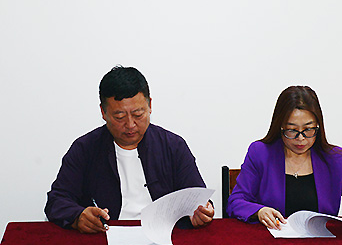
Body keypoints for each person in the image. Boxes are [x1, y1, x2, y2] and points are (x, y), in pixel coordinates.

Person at [44, 65, 214, 233]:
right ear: (103, 112)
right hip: (106, 237)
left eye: (138, 114)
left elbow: (197, 197)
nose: (130, 124)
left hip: (164, 236)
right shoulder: (85, 149)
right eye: (119, 117)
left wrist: (202, 211)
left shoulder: (173, 146)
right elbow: (56, 201)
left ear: (150, 106)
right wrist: (78, 216)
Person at [226, 86, 342, 229]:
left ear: (318, 126)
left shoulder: (335, 159)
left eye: (308, 129)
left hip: (322, 244)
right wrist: (259, 211)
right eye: (292, 130)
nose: (300, 138)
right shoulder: (260, 153)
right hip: (272, 241)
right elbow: (235, 202)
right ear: (280, 126)